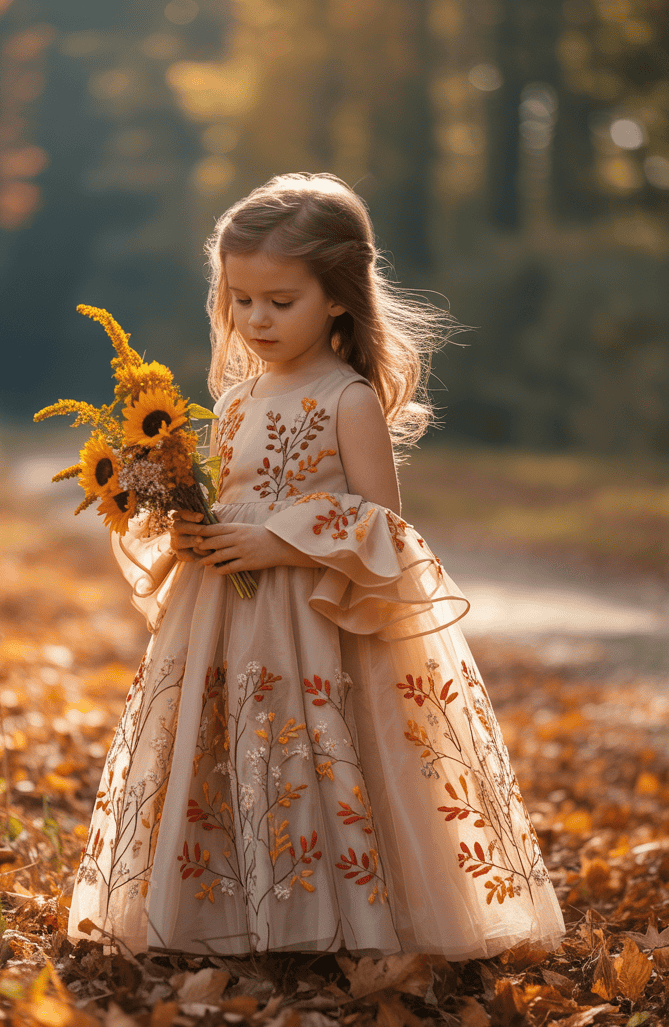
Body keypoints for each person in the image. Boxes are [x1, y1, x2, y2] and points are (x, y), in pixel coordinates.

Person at [67, 172, 565, 960]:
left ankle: (347, 922)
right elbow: (235, 499)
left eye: (280, 300)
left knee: (322, 754)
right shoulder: (232, 400)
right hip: (228, 621)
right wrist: (189, 525)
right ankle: (224, 914)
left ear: (336, 297)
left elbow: (387, 530)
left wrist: (282, 540)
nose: (256, 319)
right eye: (241, 300)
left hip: (319, 621)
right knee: (230, 750)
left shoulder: (347, 400)